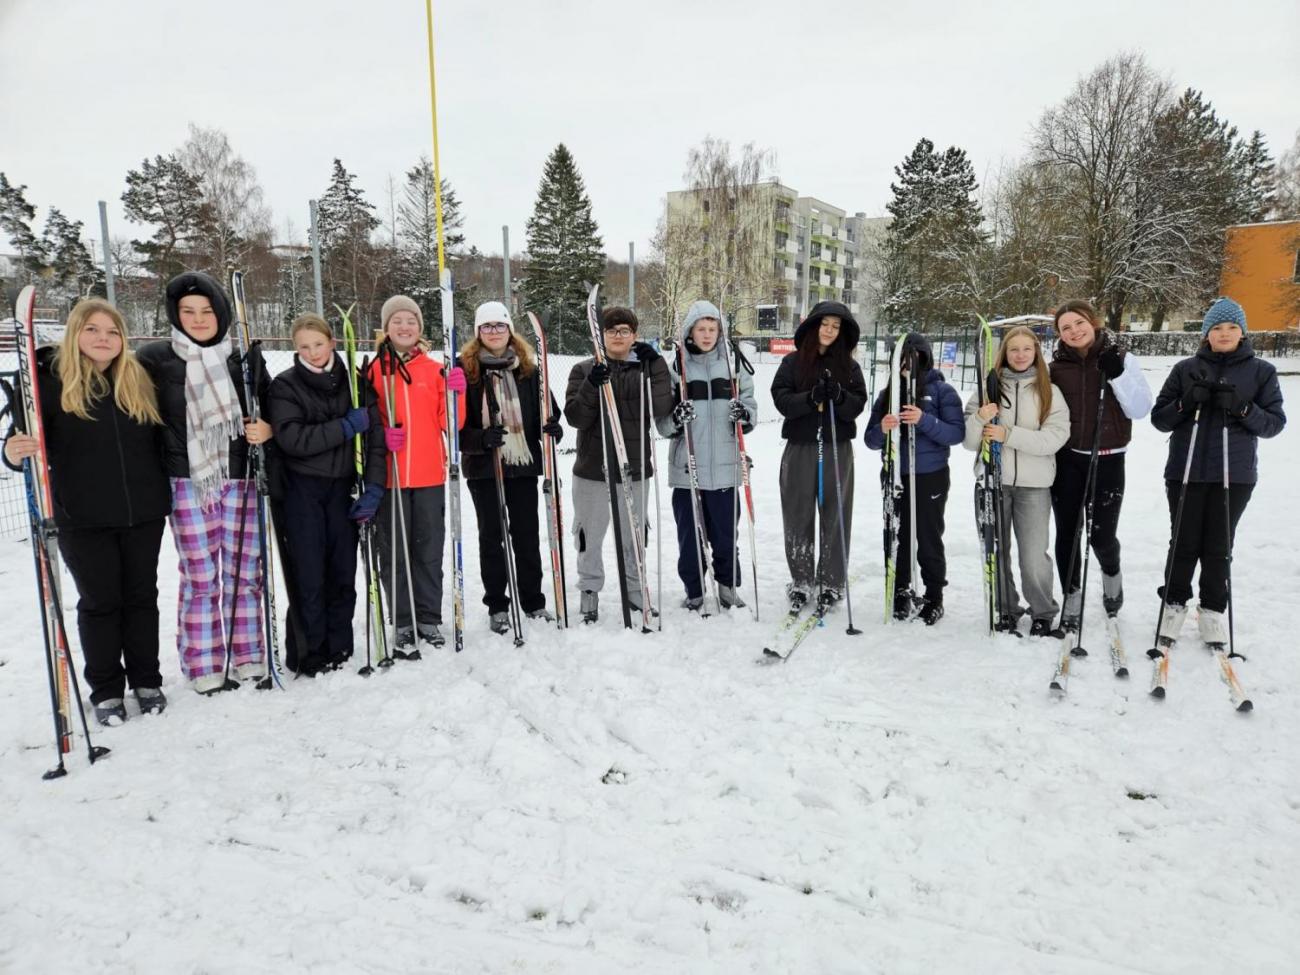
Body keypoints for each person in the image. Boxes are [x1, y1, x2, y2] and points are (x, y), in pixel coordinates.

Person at [4, 299, 170, 724]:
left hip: (143, 511)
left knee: (141, 598)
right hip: (84, 515)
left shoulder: (137, 380)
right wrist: (13, 450)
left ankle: (147, 680)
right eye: (93, 330)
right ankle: (107, 690)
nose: (103, 339)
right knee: (100, 602)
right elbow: (18, 443)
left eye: (112, 332)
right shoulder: (47, 383)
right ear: (75, 333)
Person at [137, 272, 274, 694]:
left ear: (221, 314)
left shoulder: (243, 360)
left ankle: (248, 651)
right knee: (200, 575)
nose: (198, 319)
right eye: (188, 312)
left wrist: (266, 429)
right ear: (176, 315)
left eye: (206, 311)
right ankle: (203, 661)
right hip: (189, 480)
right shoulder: (156, 359)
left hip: (241, 478)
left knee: (244, 572)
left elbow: (272, 407)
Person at [1149, 297, 1285, 645]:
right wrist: (1186, 402)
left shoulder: (1261, 372)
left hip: (1234, 474)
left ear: (1242, 332)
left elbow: (1273, 424)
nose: (1224, 334)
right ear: (1207, 333)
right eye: (1217, 328)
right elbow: (1160, 419)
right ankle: (1174, 604)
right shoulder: (1185, 369)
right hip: (1186, 470)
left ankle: (1212, 610)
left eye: (1232, 327)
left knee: (1219, 545)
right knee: (1183, 541)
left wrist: (1242, 408)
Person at [268, 313, 386, 675]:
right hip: (303, 490)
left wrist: (375, 486)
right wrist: (344, 426)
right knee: (308, 572)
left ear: (332, 342)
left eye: (318, 344)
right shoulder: (285, 386)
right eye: (304, 346)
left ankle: (340, 644)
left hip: (342, 488)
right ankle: (309, 651)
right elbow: (293, 439)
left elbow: (376, 438)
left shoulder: (354, 382)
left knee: (342, 570)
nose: (313, 352)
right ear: (295, 349)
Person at [363, 295, 466, 652]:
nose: (404, 327)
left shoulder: (434, 370)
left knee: (428, 550)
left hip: (428, 477)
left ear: (420, 329)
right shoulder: (372, 369)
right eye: (397, 321)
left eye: (411, 321)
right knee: (394, 552)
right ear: (386, 327)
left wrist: (457, 395)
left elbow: (450, 425)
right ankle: (403, 621)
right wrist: (379, 432)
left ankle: (428, 618)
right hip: (389, 478)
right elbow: (363, 419)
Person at [456, 300, 563, 633]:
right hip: (485, 468)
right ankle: (497, 606)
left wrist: (552, 429)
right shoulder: (465, 372)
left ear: (509, 330)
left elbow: (549, 411)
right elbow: (454, 428)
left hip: (522, 467)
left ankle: (532, 601)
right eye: (486, 327)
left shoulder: (529, 370)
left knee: (526, 537)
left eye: (499, 326)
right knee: (492, 537)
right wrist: (481, 438)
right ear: (478, 333)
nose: (494, 332)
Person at [563, 306, 673, 623]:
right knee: (589, 534)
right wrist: (592, 385)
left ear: (634, 336)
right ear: (601, 335)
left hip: (635, 468)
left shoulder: (647, 368)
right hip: (592, 470)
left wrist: (658, 364)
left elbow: (662, 405)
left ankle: (635, 589)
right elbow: (576, 417)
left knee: (634, 534)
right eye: (612, 330)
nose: (618, 336)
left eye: (625, 330)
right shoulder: (583, 369)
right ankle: (589, 591)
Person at [1048, 300, 1152, 631]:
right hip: (1067, 459)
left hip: (1108, 459)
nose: (1074, 331)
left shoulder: (1121, 358)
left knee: (1101, 537)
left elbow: (1139, 408)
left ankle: (1111, 574)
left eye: (1079, 323)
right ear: (1060, 335)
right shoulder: (1055, 368)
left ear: (1093, 322)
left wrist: (1118, 375)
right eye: (1066, 328)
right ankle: (1072, 596)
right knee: (1067, 533)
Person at [962, 324, 1069, 636]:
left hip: (1034, 486)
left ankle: (1043, 611)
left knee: (1034, 556)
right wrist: (981, 418)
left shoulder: (1050, 391)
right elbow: (969, 442)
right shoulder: (987, 388)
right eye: (1014, 349)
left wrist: (1008, 434)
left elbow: (1055, 438)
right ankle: (1005, 608)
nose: (1021, 355)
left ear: (1036, 351)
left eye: (1027, 349)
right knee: (996, 551)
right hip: (992, 483)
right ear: (1004, 354)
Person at [655, 300, 757, 611]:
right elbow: (661, 421)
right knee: (691, 539)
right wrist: (676, 418)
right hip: (689, 468)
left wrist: (744, 414)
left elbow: (751, 406)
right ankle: (695, 590)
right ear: (690, 331)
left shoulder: (733, 363)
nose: (707, 334)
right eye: (701, 328)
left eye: (713, 329)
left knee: (726, 537)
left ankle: (727, 587)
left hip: (725, 468)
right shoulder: (677, 367)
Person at [771, 301, 867, 613]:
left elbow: (857, 404)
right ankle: (801, 580)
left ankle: (831, 581)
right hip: (801, 446)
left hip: (836, 448)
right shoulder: (793, 363)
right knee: (798, 513)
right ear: (813, 326)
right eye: (824, 324)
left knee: (835, 512)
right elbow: (782, 399)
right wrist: (810, 399)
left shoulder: (849, 367)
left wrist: (839, 397)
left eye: (835, 326)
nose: (829, 330)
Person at [864, 332, 964, 625]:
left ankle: (934, 595)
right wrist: (883, 428)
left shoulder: (942, 391)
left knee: (928, 536)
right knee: (896, 534)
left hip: (930, 475)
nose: (908, 364)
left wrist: (924, 420)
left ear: (924, 357)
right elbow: (870, 441)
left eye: (913, 357)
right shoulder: (887, 394)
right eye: (901, 359)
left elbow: (956, 433)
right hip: (895, 473)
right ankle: (900, 590)